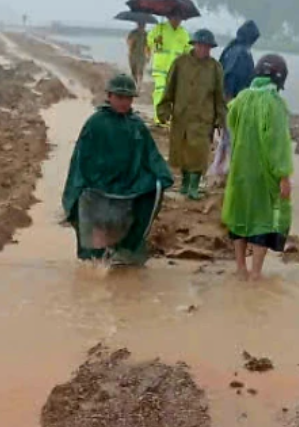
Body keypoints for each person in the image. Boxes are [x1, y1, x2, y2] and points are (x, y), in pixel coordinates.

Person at [62, 74, 174, 265]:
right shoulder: (95, 123)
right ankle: (95, 257)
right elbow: (82, 161)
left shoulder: (137, 125)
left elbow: (151, 156)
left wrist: (162, 176)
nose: (124, 102)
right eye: (119, 97)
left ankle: (127, 248)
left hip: (129, 184)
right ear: (109, 96)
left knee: (153, 190)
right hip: (98, 185)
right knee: (93, 211)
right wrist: (92, 182)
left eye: (128, 98)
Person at [221, 54, 292, 280]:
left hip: (240, 169)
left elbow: (231, 126)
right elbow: (277, 143)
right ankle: (256, 274)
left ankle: (240, 267)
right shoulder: (275, 104)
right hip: (263, 173)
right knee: (262, 220)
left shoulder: (240, 99)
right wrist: (283, 175)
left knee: (239, 215)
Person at [157, 29, 226, 201]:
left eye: (207, 47)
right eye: (200, 45)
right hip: (182, 116)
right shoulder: (180, 63)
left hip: (204, 118)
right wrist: (164, 109)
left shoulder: (215, 68)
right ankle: (185, 184)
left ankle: (194, 186)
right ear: (194, 45)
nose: (203, 49)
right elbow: (169, 88)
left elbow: (219, 96)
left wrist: (221, 118)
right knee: (182, 152)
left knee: (199, 153)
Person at [211, 20, 261, 182]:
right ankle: (233, 172)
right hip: (233, 101)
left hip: (230, 100)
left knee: (226, 137)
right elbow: (230, 77)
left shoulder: (230, 49)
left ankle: (219, 169)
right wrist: (230, 102)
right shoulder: (241, 53)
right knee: (233, 138)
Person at [146, 16, 190, 123]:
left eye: (179, 17)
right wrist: (156, 41)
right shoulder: (159, 29)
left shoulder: (183, 33)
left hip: (176, 70)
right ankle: (159, 118)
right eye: (174, 16)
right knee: (160, 91)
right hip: (160, 68)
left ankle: (169, 118)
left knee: (173, 95)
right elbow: (149, 42)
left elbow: (188, 50)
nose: (176, 20)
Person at [126, 22, 148, 86]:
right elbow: (128, 41)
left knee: (140, 71)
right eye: (141, 24)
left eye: (144, 24)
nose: (143, 26)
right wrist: (131, 42)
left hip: (142, 55)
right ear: (138, 24)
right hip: (133, 54)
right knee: (133, 71)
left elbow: (149, 45)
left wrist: (148, 55)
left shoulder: (146, 34)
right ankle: (135, 83)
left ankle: (139, 86)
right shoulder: (133, 33)